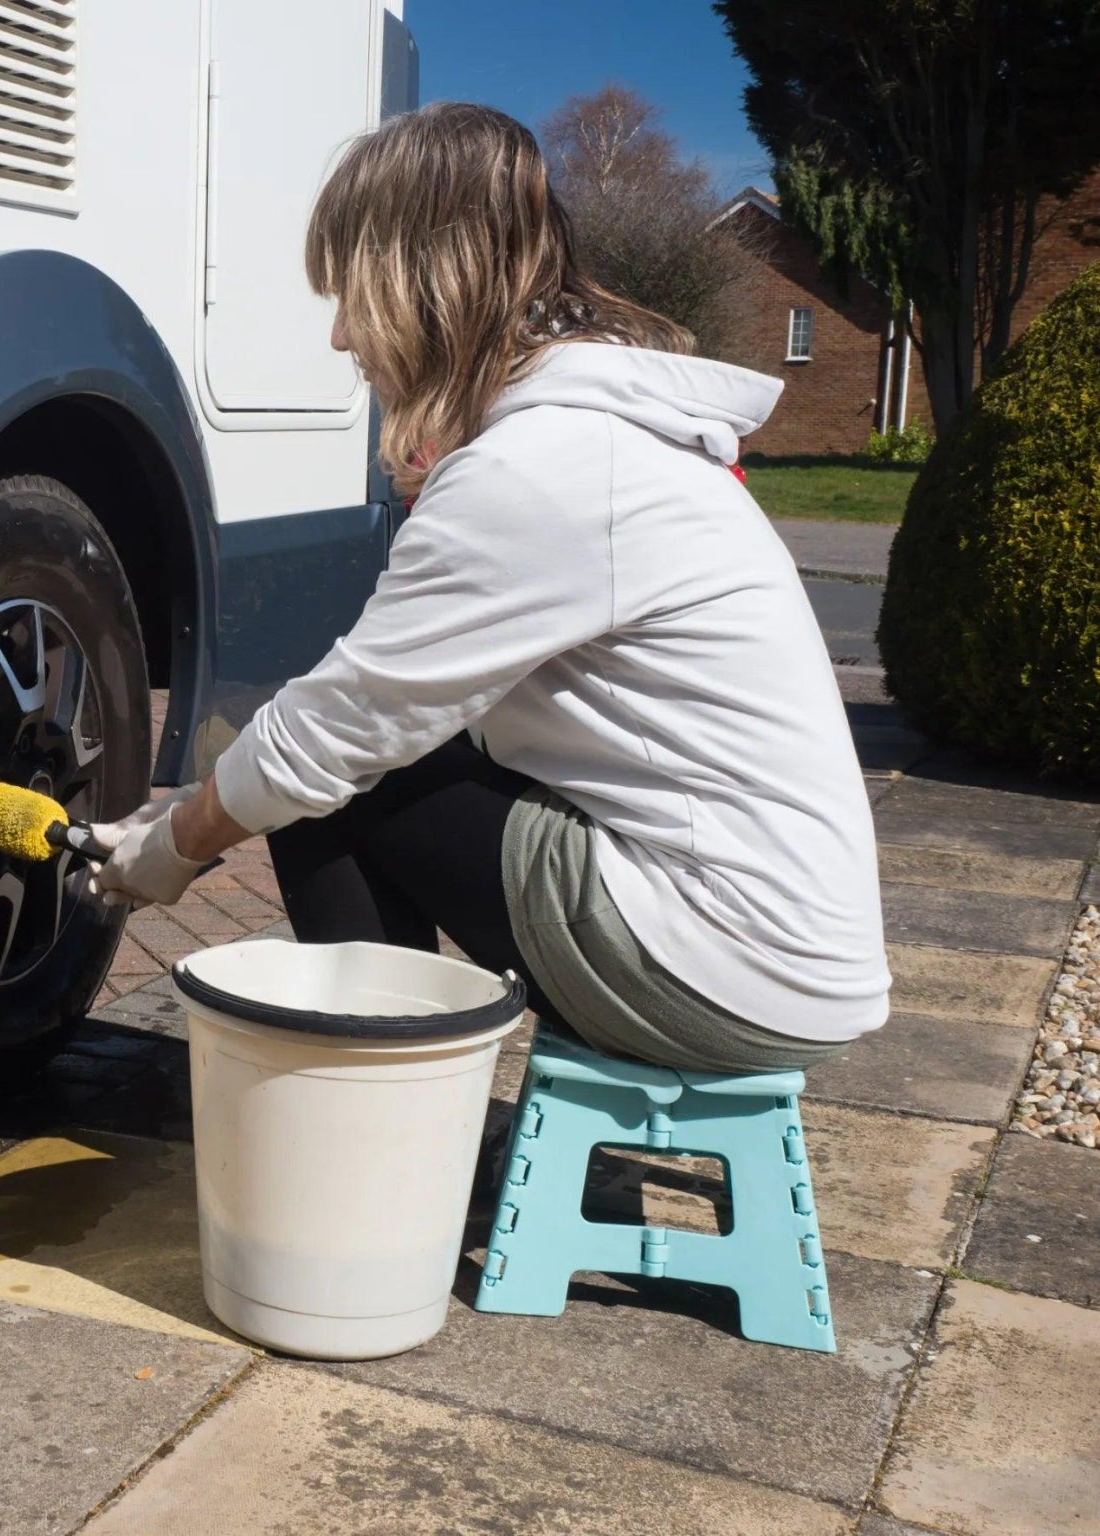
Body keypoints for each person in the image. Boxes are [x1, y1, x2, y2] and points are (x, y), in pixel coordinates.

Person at [87, 103, 888, 1073]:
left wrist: (170, 849)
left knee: (328, 791)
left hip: (724, 962)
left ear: (425, 282)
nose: (341, 335)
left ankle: (375, 1149)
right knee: (338, 769)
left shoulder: (542, 466)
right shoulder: (593, 443)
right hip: (771, 944)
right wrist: (196, 808)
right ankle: (392, 1124)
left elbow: (330, 739)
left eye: (352, 293)